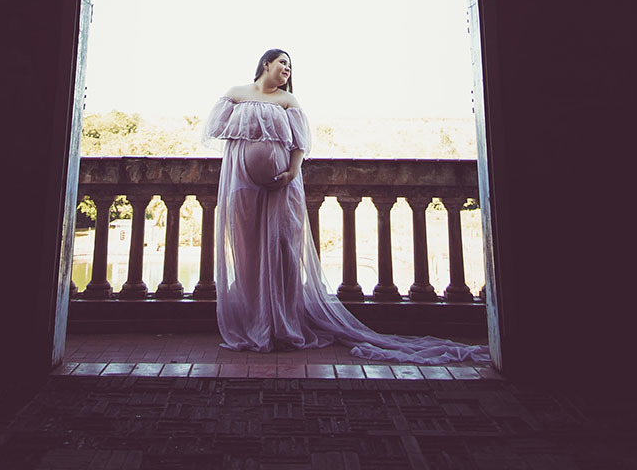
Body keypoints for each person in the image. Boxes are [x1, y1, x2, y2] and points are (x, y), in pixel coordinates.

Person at [202, 48, 491, 363]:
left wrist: (291, 172)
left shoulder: (288, 101)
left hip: (282, 187)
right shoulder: (236, 94)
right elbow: (216, 129)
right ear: (266, 63)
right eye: (282, 62)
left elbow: (300, 145)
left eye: (290, 65)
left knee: (284, 252)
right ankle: (254, 325)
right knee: (248, 254)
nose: (287, 68)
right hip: (243, 185)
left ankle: (282, 327)